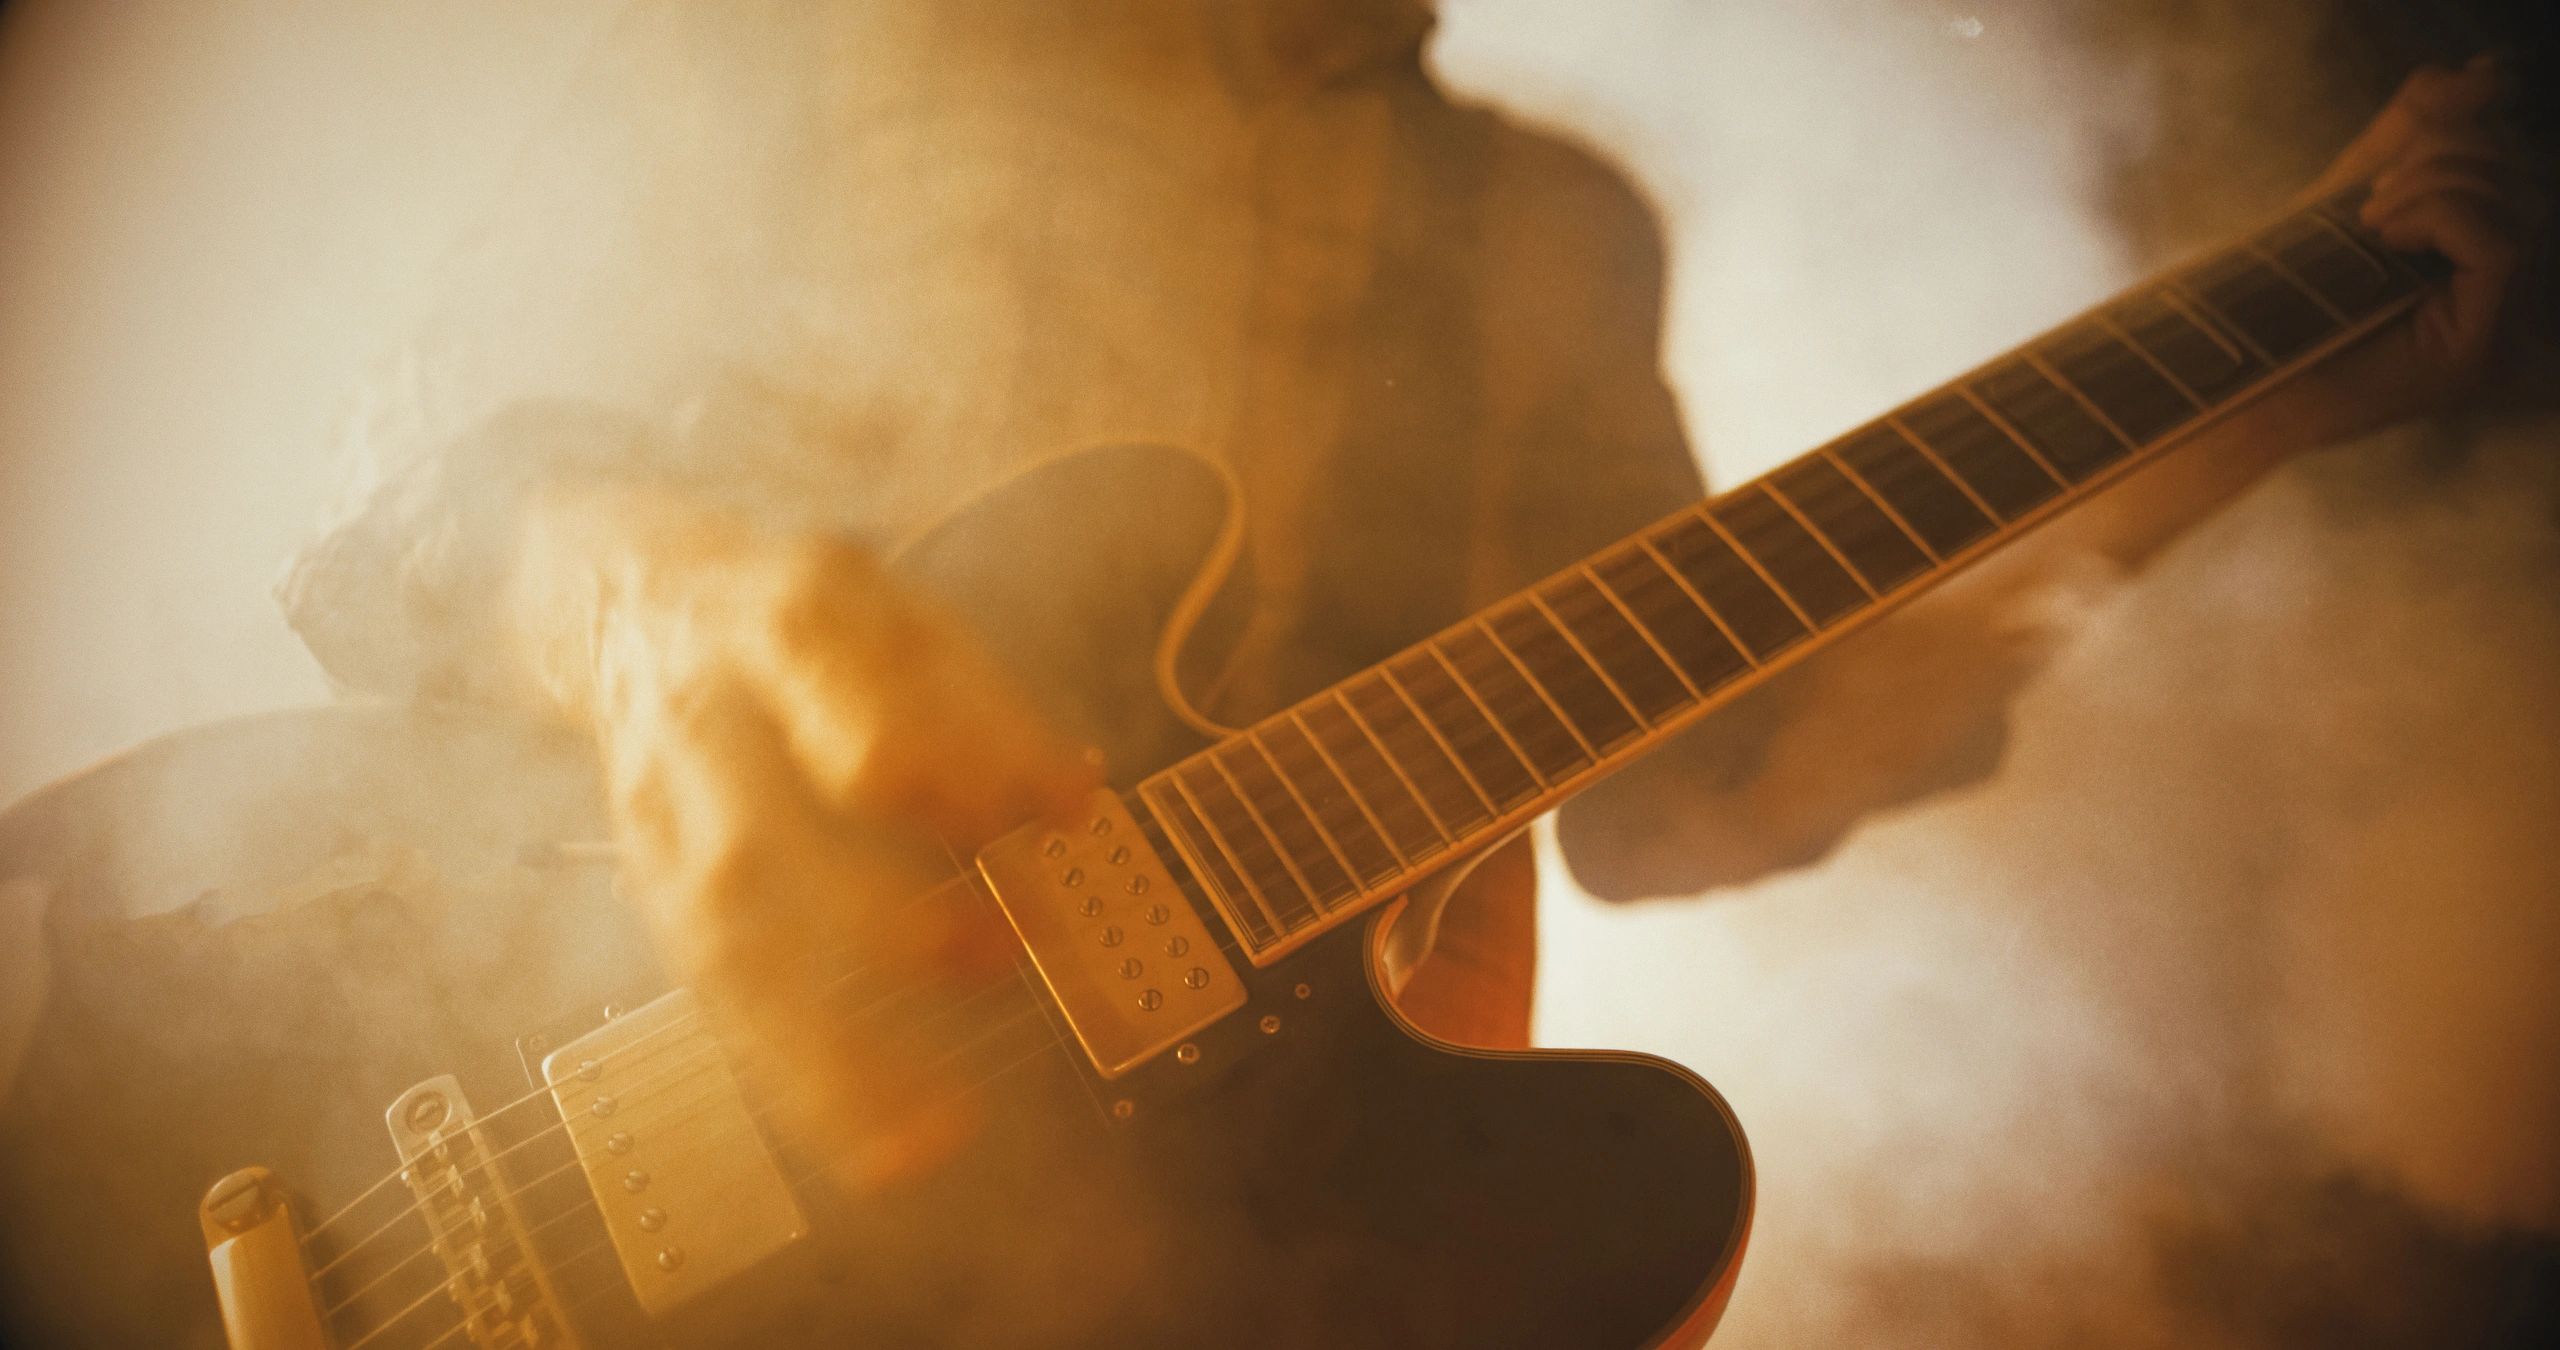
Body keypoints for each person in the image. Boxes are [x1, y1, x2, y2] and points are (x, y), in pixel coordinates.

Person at [269, 0, 2530, 1191]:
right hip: (519, 1059)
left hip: (1212, 1255)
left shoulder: (1548, 228)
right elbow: (404, 482)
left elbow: (1697, 789)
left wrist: (2276, 390)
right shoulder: (830, 23)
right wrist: (649, 607)